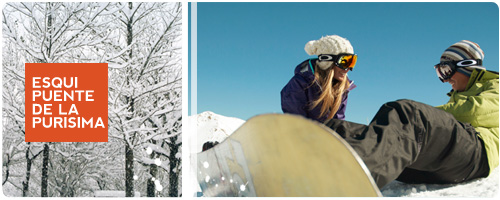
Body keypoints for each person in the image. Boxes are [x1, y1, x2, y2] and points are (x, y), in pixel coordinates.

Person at [324, 40, 498, 189]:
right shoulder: (458, 97)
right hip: (445, 166)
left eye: (446, 70)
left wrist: (424, 116)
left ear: (467, 66)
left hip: (477, 154)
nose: (445, 79)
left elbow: (477, 111)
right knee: (351, 132)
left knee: (408, 114)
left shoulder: (494, 83)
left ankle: (348, 183)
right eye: (441, 73)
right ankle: (319, 153)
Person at [281, 35, 357, 123]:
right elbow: (297, 125)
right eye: (344, 62)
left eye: (351, 62)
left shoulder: (342, 88)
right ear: (328, 61)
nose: (348, 68)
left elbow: (338, 123)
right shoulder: (299, 84)